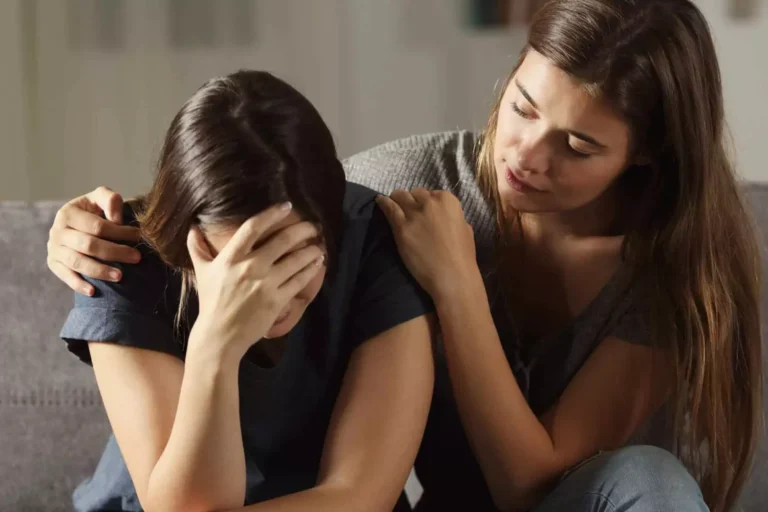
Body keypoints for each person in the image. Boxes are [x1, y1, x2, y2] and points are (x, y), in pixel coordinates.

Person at [47, 1, 763, 511]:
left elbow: (528, 487)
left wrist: (455, 286)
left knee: (651, 475)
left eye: (577, 147)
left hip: (565, 501)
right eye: (522, 106)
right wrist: (89, 227)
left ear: (645, 158)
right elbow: (257, 186)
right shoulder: (403, 186)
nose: (525, 156)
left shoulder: (676, 274)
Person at [52, 70, 436, 512]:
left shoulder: (374, 241)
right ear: (187, 238)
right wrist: (217, 340)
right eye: (235, 266)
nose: (266, 296)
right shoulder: (119, 258)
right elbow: (191, 507)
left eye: (291, 261)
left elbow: (360, 496)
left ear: (331, 229)